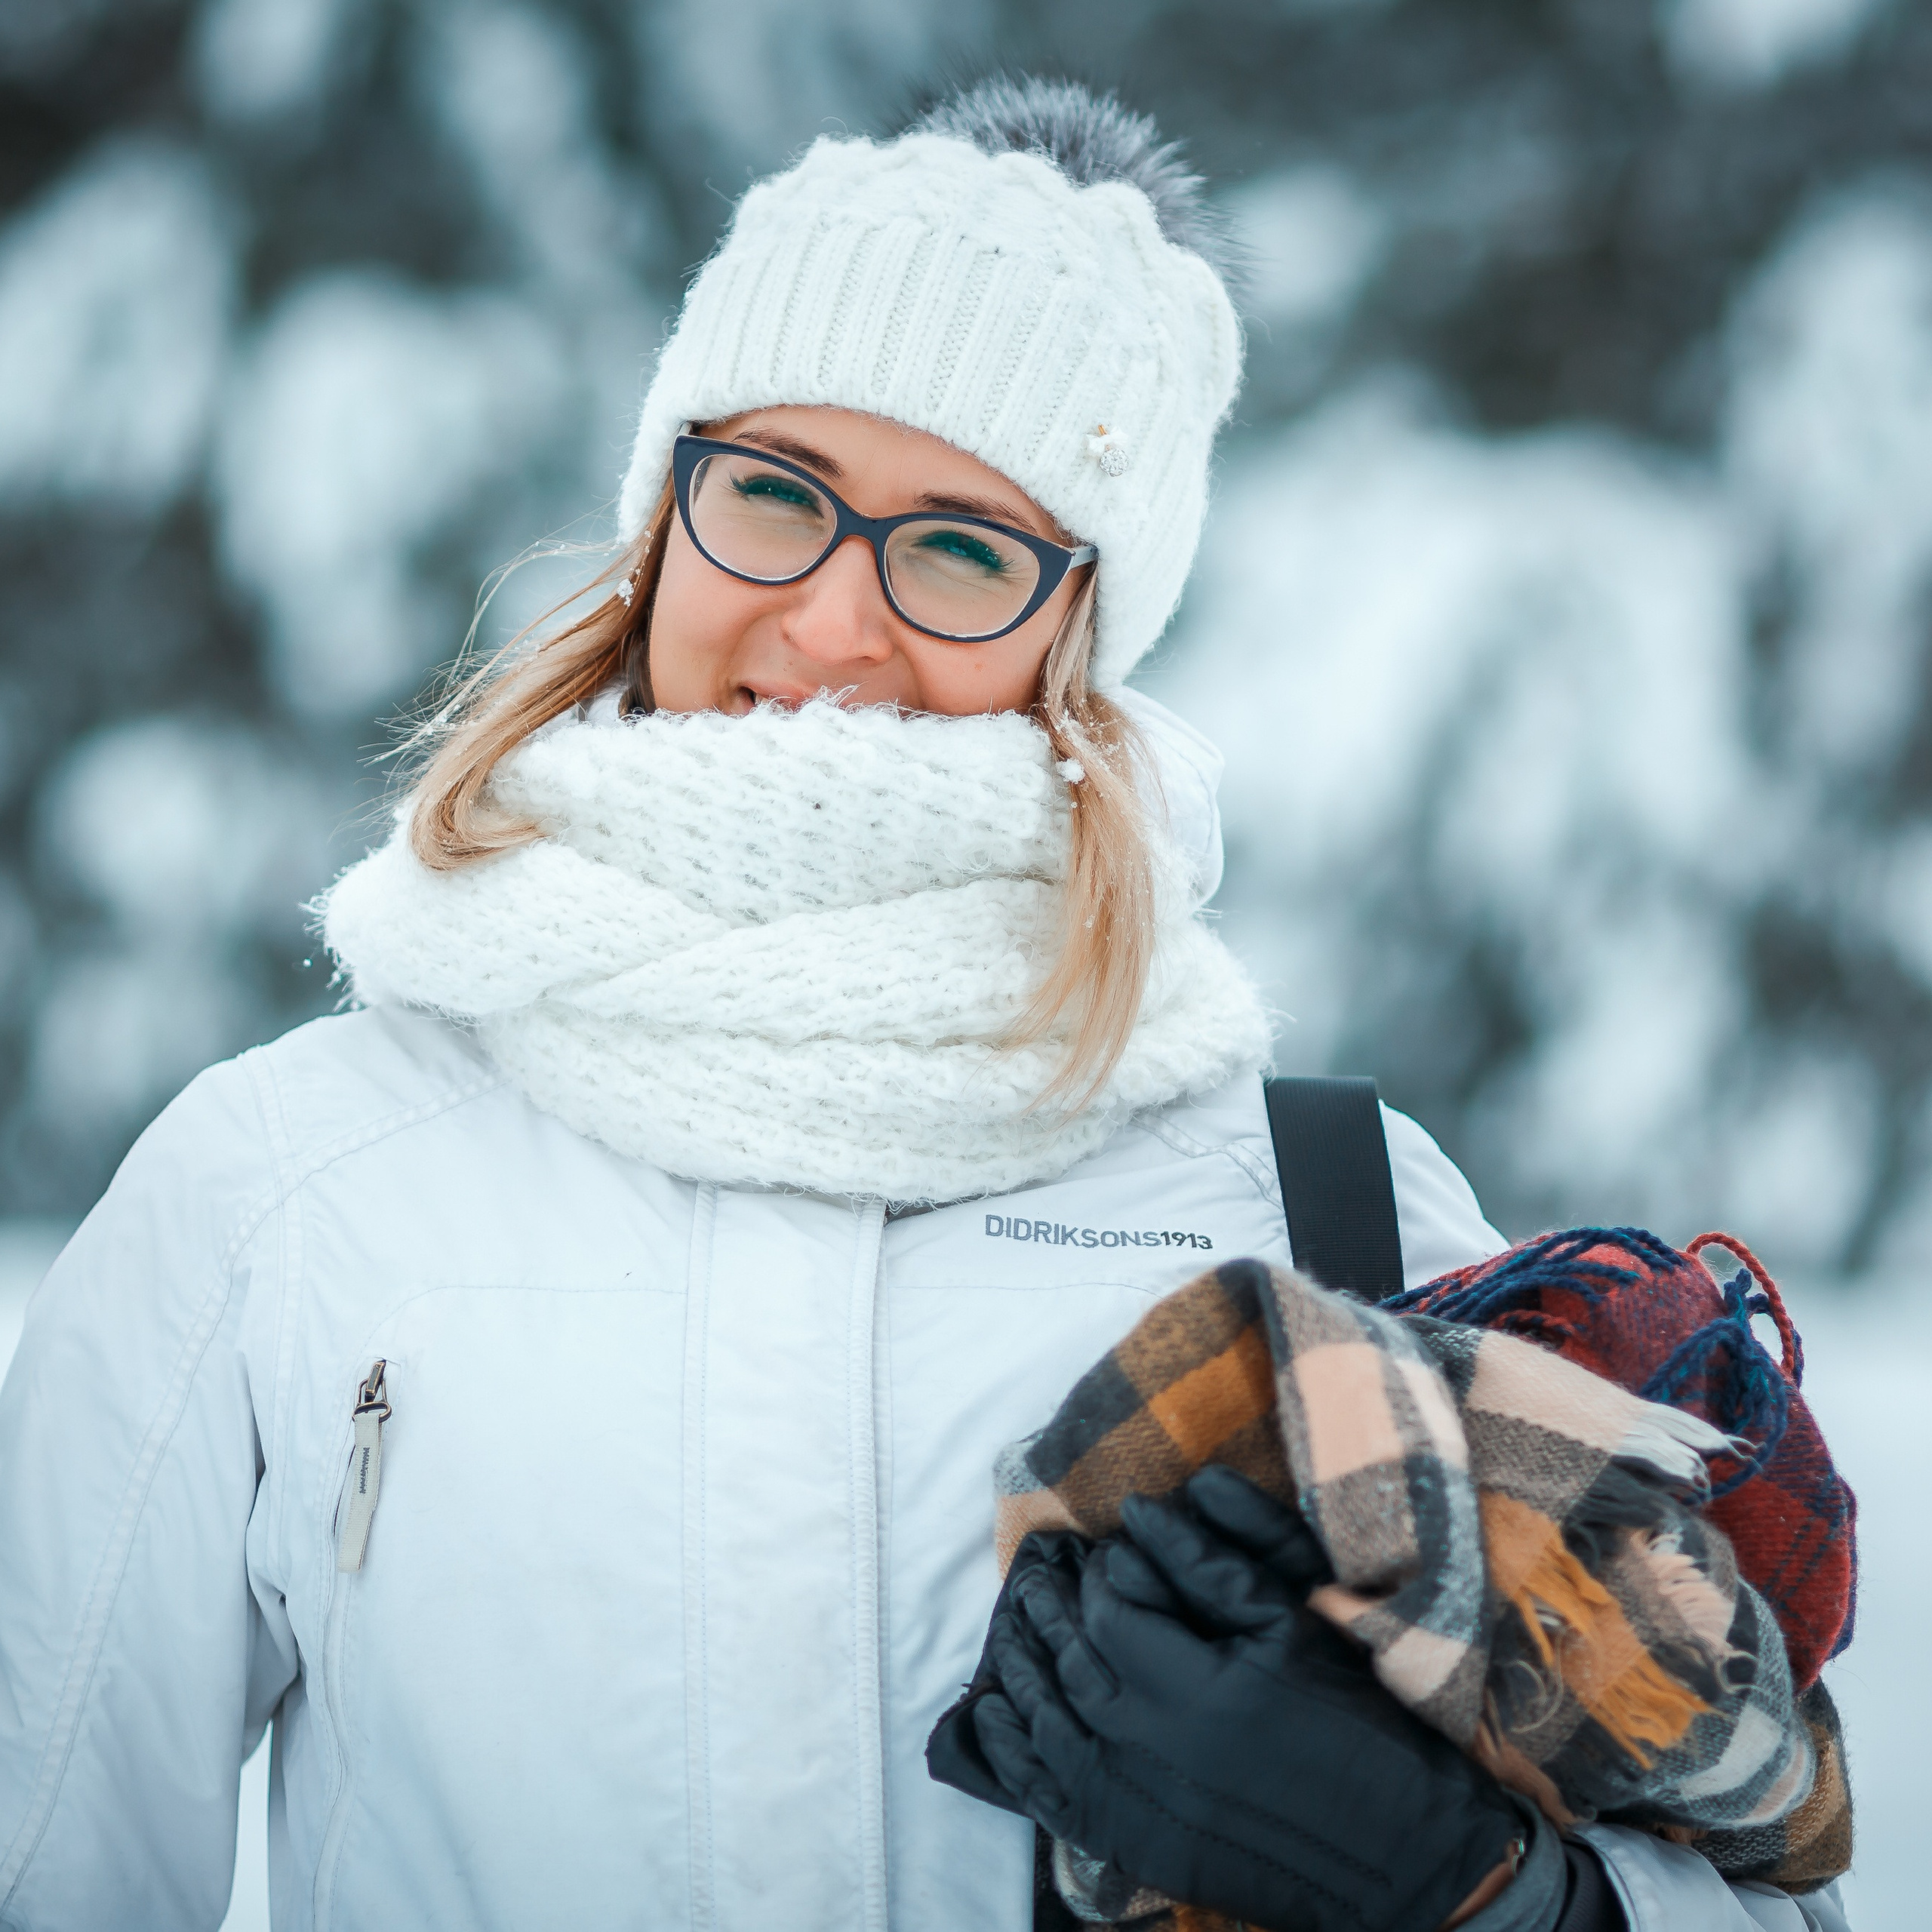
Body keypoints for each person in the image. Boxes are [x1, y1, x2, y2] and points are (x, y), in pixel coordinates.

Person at [0, 77, 1841, 1932]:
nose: (828, 625)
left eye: (960, 547)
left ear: (1077, 630)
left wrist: (1488, 1893)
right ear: (665, 519)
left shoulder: (1316, 1209)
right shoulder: (295, 1184)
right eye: (773, 497)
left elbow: (1763, 1870)